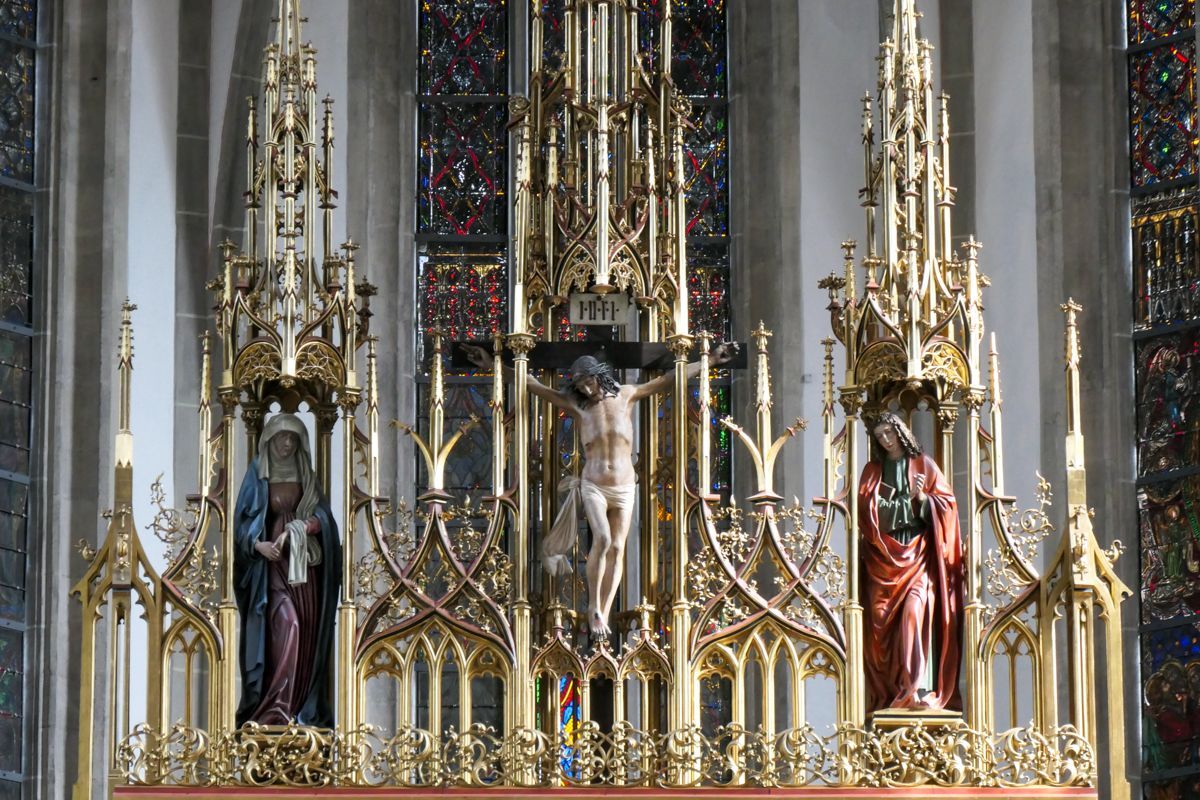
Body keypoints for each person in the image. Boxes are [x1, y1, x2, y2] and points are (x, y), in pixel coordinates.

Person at [464, 343, 736, 636]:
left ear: (600, 376)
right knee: (603, 539)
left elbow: (668, 379)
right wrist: (492, 365)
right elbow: (531, 384)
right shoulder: (577, 405)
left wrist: (710, 362)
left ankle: (603, 614)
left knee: (617, 548)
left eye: (588, 382)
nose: (585, 389)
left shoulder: (626, 395)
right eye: (580, 385)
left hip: (624, 487)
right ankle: (593, 604)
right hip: (594, 485)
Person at [233, 413, 342, 727]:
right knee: (287, 624)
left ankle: (297, 706)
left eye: (293, 438)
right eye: (282, 437)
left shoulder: (306, 474)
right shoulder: (258, 474)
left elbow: (325, 520)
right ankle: (273, 708)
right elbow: (241, 525)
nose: (287, 444)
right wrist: (258, 546)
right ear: (270, 439)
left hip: (304, 571)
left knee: (304, 629)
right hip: (271, 569)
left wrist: (303, 527)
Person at [857, 411, 963, 711]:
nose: (886, 440)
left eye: (890, 433)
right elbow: (868, 513)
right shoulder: (872, 471)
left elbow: (947, 506)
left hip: (918, 559)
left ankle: (916, 689)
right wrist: (903, 503)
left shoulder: (923, 465)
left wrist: (923, 500)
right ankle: (890, 694)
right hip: (883, 560)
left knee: (915, 613)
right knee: (879, 624)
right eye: (880, 436)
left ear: (901, 433)